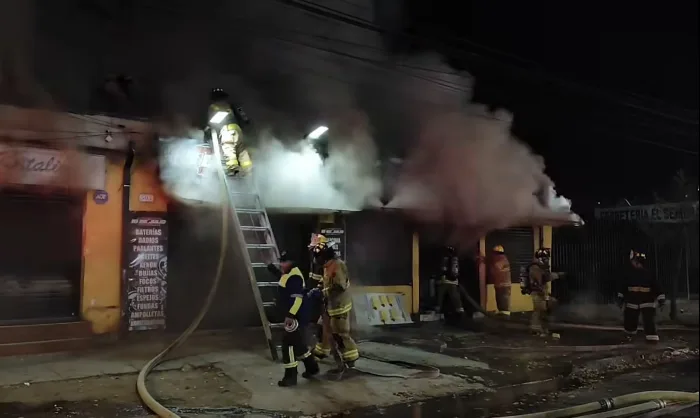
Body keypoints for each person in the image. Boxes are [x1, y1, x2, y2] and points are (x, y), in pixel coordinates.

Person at [267, 251, 319, 387]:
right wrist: (271, 268)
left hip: (295, 316)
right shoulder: (289, 274)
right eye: (281, 262)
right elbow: (283, 279)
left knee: (288, 345)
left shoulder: (295, 277)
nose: (281, 264)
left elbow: (297, 299)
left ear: (291, 262)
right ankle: (312, 367)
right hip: (293, 314)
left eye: (284, 262)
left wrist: (290, 315)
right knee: (298, 344)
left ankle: (290, 377)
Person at [308, 234, 359, 373]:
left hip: (339, 307)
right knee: (322, 327)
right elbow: (326, 280)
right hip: (330, 306)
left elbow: (339, 285)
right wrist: (318, 288)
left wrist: (323, 292)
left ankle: (350, 361)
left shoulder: (337, 265)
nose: (315, 257)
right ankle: (321, 352)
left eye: (316, 253)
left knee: (340, 334)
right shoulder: (328, 265)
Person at [617, 250, 665, 343]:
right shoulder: (648, 273)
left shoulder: (630, 274)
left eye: (633, 261)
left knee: (636, 322)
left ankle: (631, 340)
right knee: (646, 322)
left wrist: (620, 299)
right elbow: (658, 287)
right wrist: (661, 300)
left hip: (635, 303)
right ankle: (650, 341)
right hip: (644, 302)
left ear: (636, 262)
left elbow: (623, 288)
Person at [208, 88, 252, 176]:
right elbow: (242, 116)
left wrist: (209, 128)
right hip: (238, 130)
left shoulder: (214, 107)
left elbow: (212, 121)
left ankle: (233, 168)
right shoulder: (230, 106)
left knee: (228, 146)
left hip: (227, 129)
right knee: (241, 150)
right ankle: (248, 169)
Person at [436, 245, 473, 326]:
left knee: (440, 295)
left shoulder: (445, 259)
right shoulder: (456, 259)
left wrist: (440, 278)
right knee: (456, 297)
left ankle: (437, 310)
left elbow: (443, 269)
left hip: (445, 281)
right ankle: (461, 312)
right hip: (454, 282)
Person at [526, 248, 559, 336]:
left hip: (541, 291)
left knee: (545, 308)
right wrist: (543, 293)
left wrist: (557, 275)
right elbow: (538, 281)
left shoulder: (540, 267)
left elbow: (546, 277)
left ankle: (541, 328)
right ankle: (535, 329)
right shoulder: (535, 267)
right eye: (545, 258)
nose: (547, 260)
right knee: (539, 310)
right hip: (538, 292)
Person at [488, 245, 512, 317]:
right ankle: (502, 313)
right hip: (500, 284)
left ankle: (505, 315)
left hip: (503, 285)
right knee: (500, 300)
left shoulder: (501, 260)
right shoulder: (503, 259)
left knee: (503, 301)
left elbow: (495, 269)